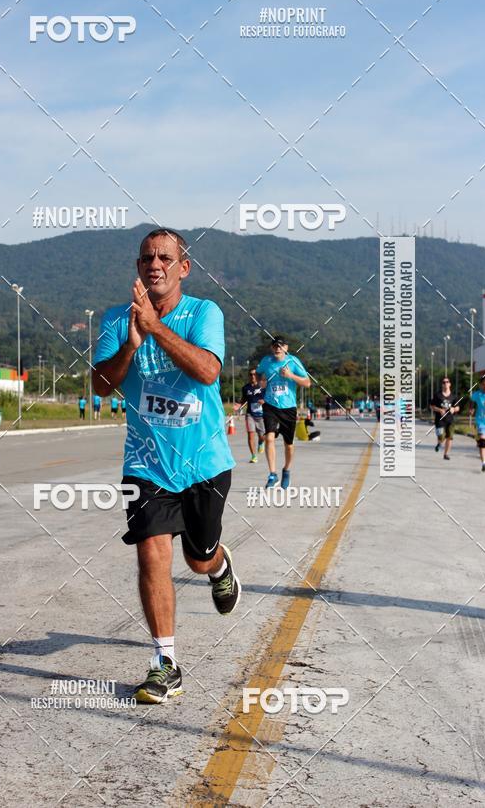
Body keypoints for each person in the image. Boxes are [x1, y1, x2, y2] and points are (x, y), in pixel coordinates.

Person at [93, 228, 240, 704]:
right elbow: (99, 385)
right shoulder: (118, 320)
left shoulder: (204, 313)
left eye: (164, 257)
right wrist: (133, 344)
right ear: (138, 267)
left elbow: (207, 371)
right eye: (146, 258)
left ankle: (219, 567)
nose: (153, 264)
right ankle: (165, 664)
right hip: (147, 464)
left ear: (183, 267)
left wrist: (156, 328)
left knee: (197, 559)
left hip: (205, 463)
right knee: (151, 552)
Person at [257, 338, 311, 489]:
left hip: (288, 407)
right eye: (275, 346)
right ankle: (272, 474)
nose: (278, 349)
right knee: (269, 438)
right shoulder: (266, 361)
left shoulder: (293, 361)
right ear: (271, 348)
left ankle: (286, 470)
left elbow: (307, 383)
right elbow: (259, 374)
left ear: (286, 348)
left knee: (289, 444)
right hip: (270, 405)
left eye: (281, 346)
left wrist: (290, 376)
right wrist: (261, 382)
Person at [431, 376, 460, 460]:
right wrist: (439, 409)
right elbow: (432, 406)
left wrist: (453, 409)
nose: (445, 383)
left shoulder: (454, 396)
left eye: (447, 382)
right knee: (441, 436)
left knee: (449, 437)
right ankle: (439, 443)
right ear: (442, 385)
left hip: (450, 420)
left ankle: (446, 454)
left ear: (450, 384)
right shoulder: (437, 395)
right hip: (440, 420)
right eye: (443, 382)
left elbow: (458, 407)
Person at [240, 368, 266, 462]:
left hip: (262, 415)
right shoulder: (245, 388)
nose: (252, 376)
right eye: (251, 374)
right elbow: (243, 400)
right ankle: (254, 456)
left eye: (254, 374)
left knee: (262, 436)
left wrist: (264, 401)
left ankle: (261, 442)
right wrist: (238, 405)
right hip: (250, 415)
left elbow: (270, 398)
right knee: (251, 435)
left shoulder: (263, 387)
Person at [470, 375, 485, 472]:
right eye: (484, 385)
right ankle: (484, 463)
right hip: (482, 422)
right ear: (481, 385)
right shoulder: (477, 395)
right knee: (482, 441)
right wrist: (471, 409)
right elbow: (472, 402)